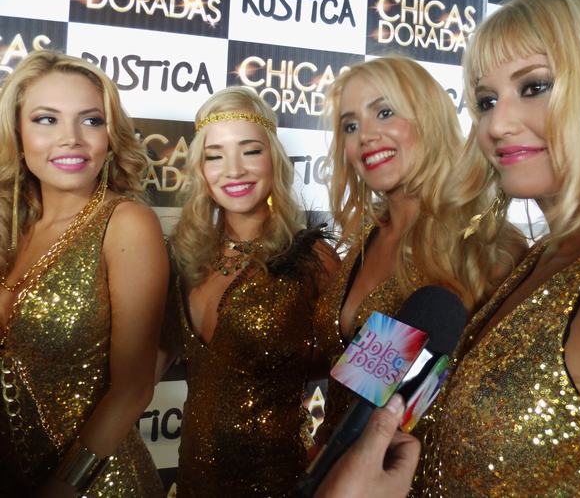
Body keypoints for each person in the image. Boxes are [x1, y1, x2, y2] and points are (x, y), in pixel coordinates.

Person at [315, 0, 580, 497]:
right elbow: (373, 403)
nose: (498, 124)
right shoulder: (542, 258)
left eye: (534, 87)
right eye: (487, 101)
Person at [312, 56, 525, 438]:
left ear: (429, 118)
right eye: (350, 125)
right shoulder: (367, 238)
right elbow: (362, 391)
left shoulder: (484, 243)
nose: (365, 136)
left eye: (384, 113)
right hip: (338, 465)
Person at [158, 85, 339, 497]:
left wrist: (339, 445)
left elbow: (361, 362)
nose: (234, 170)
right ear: (200, 168)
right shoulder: (186, 255)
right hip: (192, 482)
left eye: (250, 151)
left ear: (274, 159)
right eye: (215, 155)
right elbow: (153, 360)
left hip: (279, 484)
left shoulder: (310, 257)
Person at [0, 51, 167, 496]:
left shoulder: (127, 223)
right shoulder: (12, 226)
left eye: (91, 121)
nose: (71, 139)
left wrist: (60, 488)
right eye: (46, 119)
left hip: (98, 486)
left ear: (110, 138)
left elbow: (133, 389)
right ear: (17, 133)